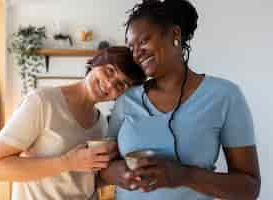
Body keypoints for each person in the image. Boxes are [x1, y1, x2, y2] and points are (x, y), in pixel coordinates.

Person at [100, 0, 261, 199]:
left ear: (175, 35)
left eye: (143, 41)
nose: (136, 53)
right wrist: (118, 174)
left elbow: (249, 188)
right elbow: (103, 167)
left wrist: (184, 176)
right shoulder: (126, 99)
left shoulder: (225, 96)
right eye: (132, 47)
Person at [0, 46, 146, 200]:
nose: (110, 84)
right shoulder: (42, 102)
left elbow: (81, 183)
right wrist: (68, 162)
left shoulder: (101, 123)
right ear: (96, 62)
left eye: (121, 84)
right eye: (110, 71)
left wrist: (116, 177)